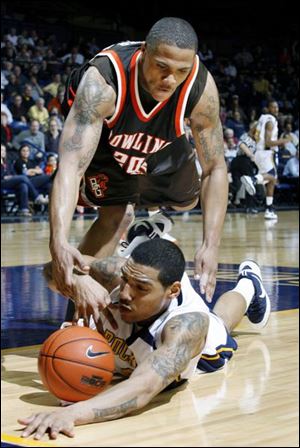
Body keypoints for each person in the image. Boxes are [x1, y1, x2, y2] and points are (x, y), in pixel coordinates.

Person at [49, 17, 228, 312]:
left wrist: (211, 245)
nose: (170, 80)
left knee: (187, 201)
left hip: (157, 139)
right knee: (118, 214)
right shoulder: (102, 83)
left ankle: (144, 231)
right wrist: (58, 241)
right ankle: (80, 312)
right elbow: (70, 166)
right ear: (144, 51)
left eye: (181, 71)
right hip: (105, 139)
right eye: (162, 67)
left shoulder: (200, 88)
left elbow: (215, 168)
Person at [18, 238, 271, 440]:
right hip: (145, 318)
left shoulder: (187, 326)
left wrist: (71, 414)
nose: (126, 293)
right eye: (126, 281)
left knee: (221, 322)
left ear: (173, 291)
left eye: (140, 288)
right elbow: (51, 270)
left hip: (204, 351)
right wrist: (78, 279)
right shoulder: (116, 273)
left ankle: (248, 287)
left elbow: (144, 387)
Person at [254, 100, 293, 220]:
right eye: (273, 107)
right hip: (266, 153)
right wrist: (285, 141)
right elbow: (268, 142)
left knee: (271, 182)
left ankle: (269, 209)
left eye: (277, 107)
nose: (276, 109)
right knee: (271, 176)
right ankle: (253, 179)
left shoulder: (261, 119)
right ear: (268, 108)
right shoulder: (270, 121)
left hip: (259, 152)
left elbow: (252, 134)